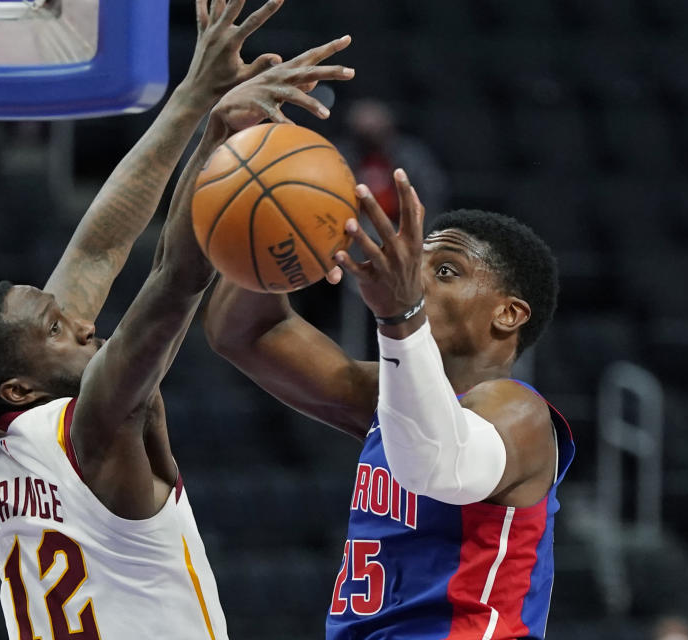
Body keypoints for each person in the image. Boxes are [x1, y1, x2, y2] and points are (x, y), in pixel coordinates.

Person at [0, 0, 355, 635]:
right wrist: (220, 139)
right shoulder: (96, 427)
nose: (82, 324)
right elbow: (175, 278)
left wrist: (195, 95)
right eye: (56, 329)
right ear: (19, 387)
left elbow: (99, 249)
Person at [204, 172, 574, 639]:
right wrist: (283, 222)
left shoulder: (520, 413)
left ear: (508, 314)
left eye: (445, 271)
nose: (414, 279)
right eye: (414, 264)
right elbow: (245, 333)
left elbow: (438, 463)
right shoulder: (391, 400)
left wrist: (400, 315)